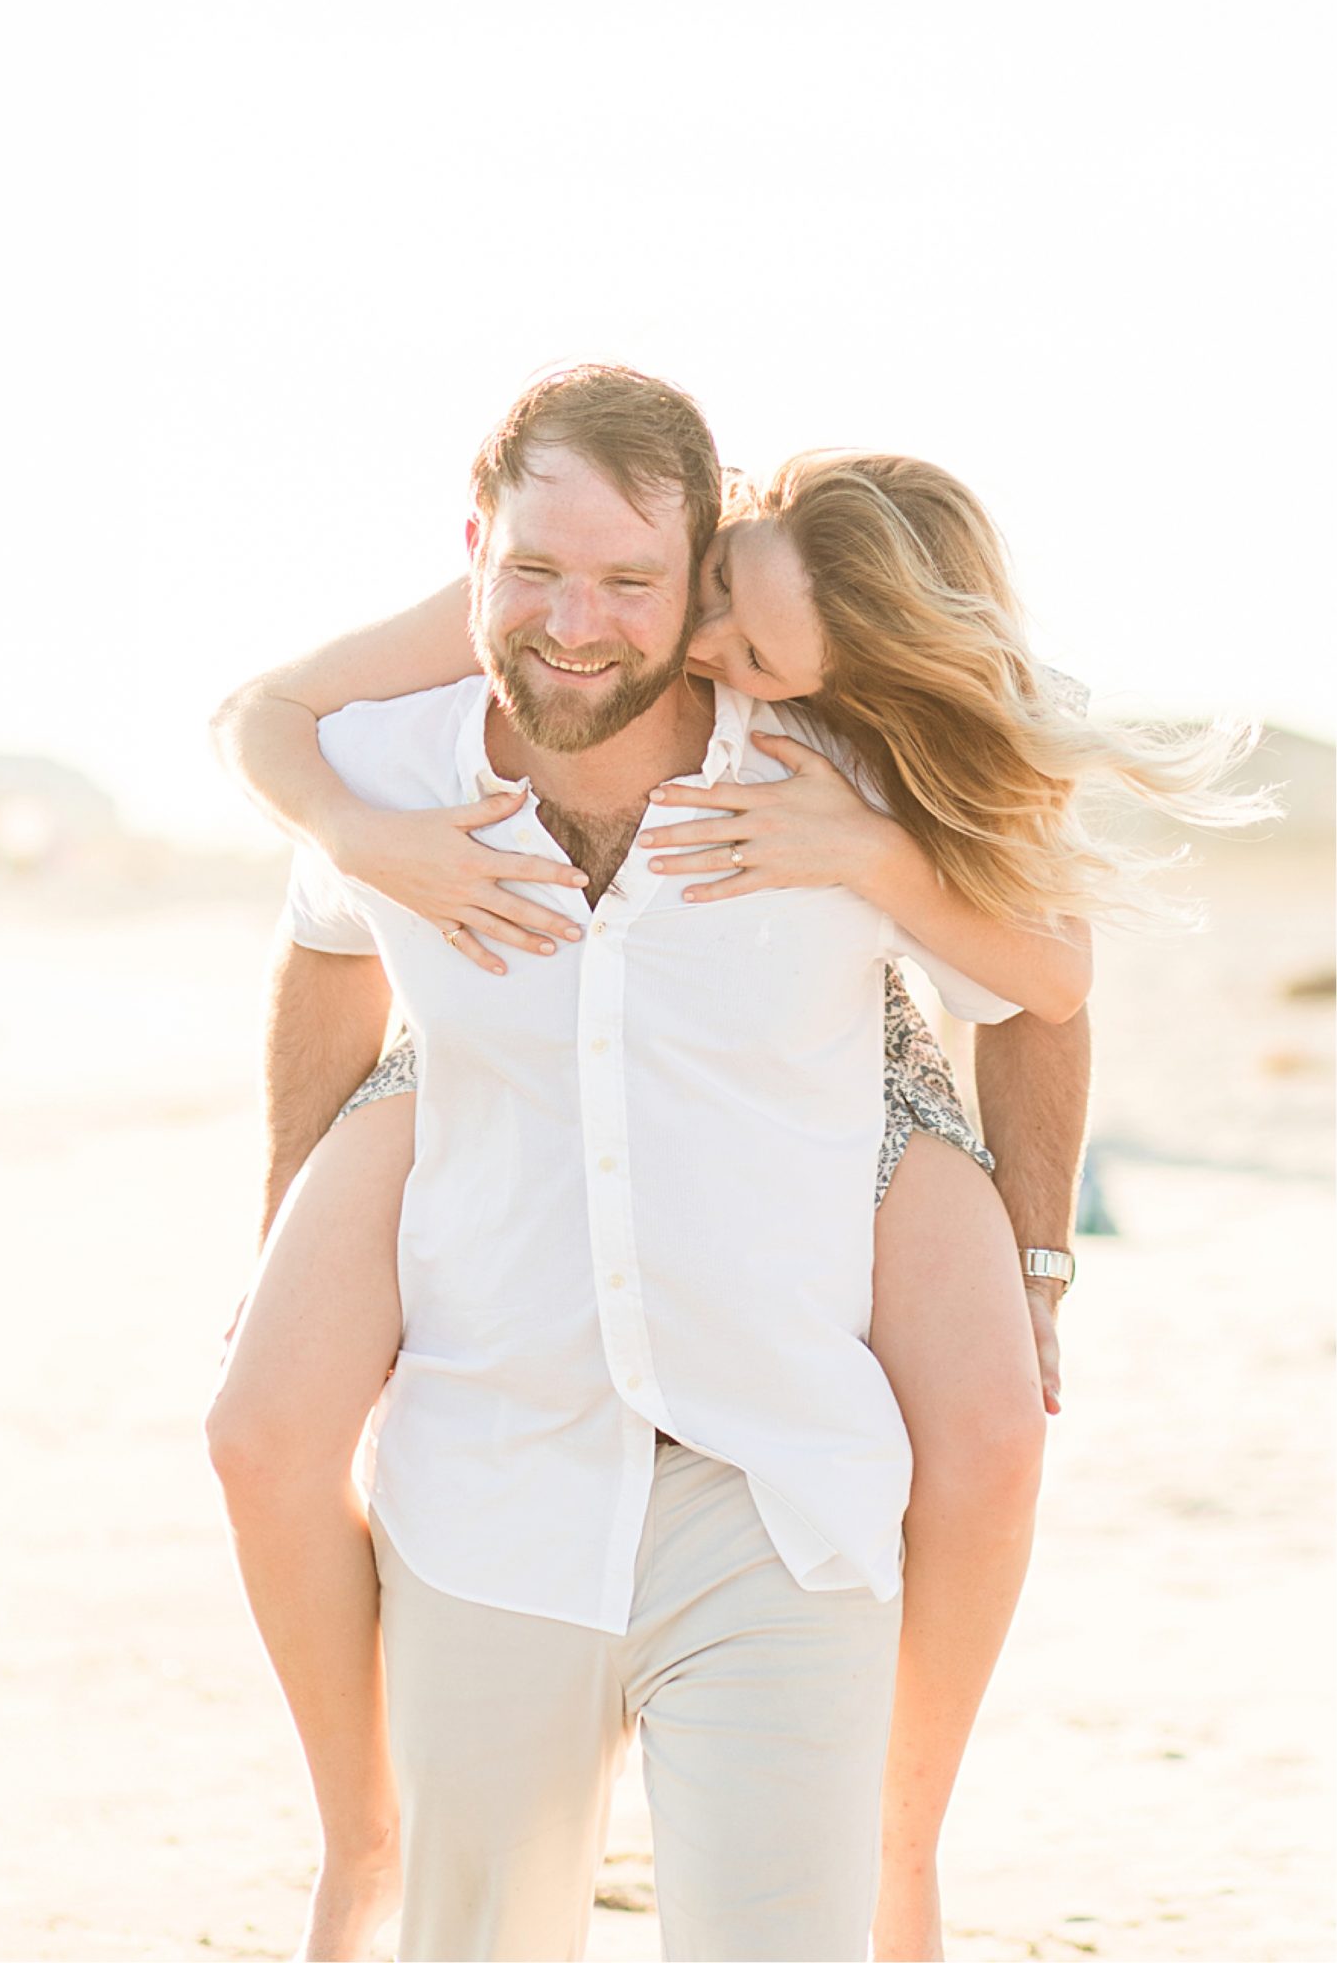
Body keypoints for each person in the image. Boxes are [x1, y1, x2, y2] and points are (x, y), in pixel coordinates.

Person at [207, 366, 1254, 1960]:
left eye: (649, 591)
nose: (606, 627)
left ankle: (902, 1846)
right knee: (260, 1427)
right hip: (499, 1433)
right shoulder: (400, 754)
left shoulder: (843, 769)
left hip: (823, 1303)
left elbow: (1046, 981)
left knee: (988, 1434)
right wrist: (293, 1202)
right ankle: (365, 1838)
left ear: (700, 569)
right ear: (476, 545)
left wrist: (1039, 1256)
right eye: (541, 572)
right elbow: (302, 858)